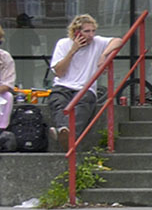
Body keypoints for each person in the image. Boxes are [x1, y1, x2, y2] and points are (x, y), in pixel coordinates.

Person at [47, 14, 123, 151]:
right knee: (58, 102)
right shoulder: (63, 44)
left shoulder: (97, 42)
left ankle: (65, 135)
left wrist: (104, 55)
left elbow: (118, 41)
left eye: (93, 31)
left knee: (83, 104)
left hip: (85, 88)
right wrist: (72, 51)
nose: (91, 35)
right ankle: (65, 133)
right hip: (63, 86)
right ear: (76, 32)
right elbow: (59, 72)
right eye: (87, 31)